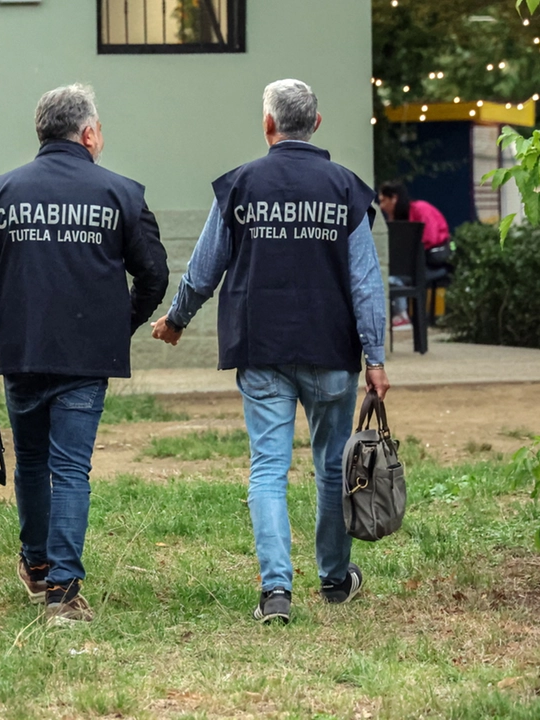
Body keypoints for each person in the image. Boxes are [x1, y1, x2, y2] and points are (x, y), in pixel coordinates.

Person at [151, 79, 390, 625]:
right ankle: (333, 580)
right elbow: (365, 282)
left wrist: (177, 318)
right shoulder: (346, 188)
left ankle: (276, 592)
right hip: (331, 352)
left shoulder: (240, 185)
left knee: (267, 468)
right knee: (333, 467)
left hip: (261, 349)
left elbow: (205, 265)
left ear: (268, 125)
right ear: (318, 123)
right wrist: (374, 358)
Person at [0, 84, 169, 625]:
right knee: (71, 468)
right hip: (87, 360)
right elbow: (155, 275)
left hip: (23, 355)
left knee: (34, 462)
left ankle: (37, 565)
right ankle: (64, 594)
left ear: (41, 132)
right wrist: (119, 325)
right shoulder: (123, 193)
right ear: (89, 133)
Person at [378, 182, 450, 329]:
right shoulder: (397, 217)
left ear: (394, 199)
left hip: (432, 260)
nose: (381, 206)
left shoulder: (421, 209)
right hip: (411, 262)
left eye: (383, 200)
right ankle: (399, 314)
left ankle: (402, 315)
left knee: (394, 277)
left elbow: (429, 239)